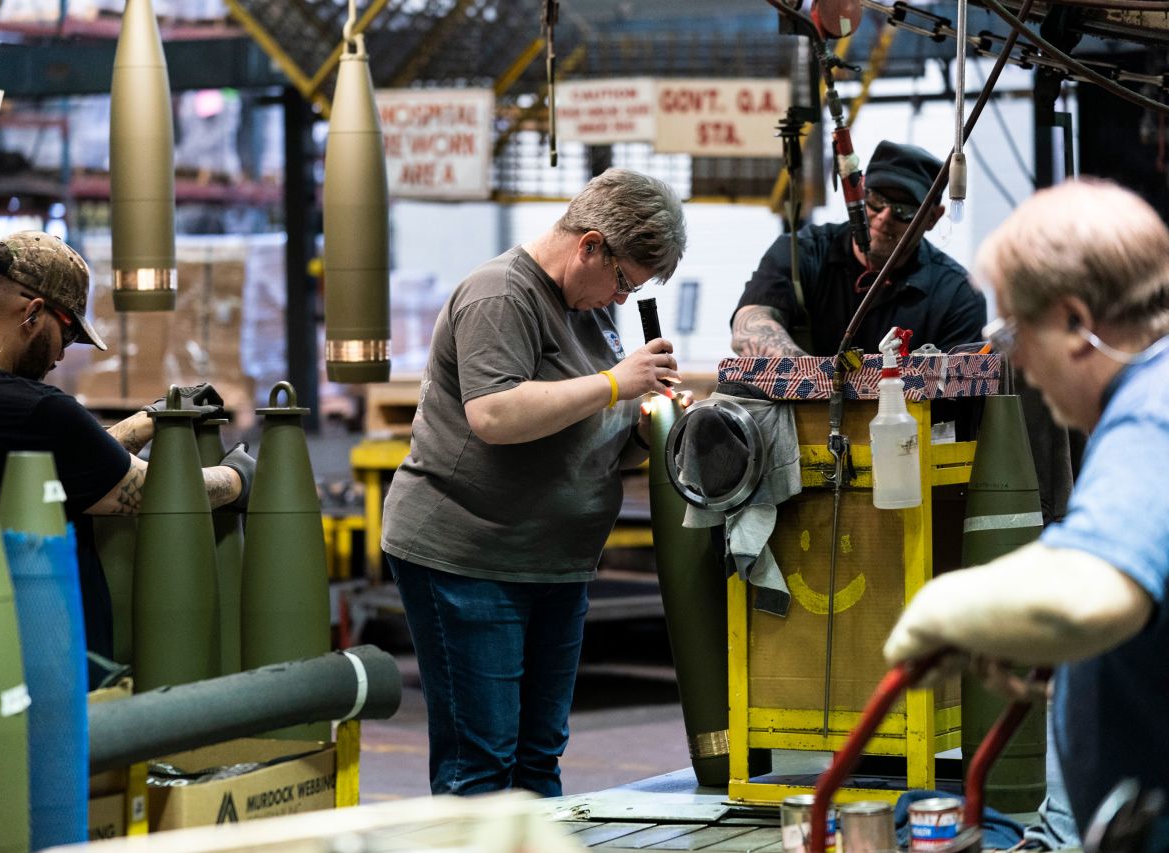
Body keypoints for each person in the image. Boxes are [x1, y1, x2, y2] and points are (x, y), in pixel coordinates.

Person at [381, 169, 688, 797]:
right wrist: (613, 384)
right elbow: (494, 415)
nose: (623, 300)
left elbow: (587, 430)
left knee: (538, 758)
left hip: (555, 562)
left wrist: (650, 420)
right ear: (591, 245)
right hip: (471, 557)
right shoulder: (501, 295)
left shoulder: (590, 309)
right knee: (483, 765)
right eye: (624, 280)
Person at [884, 179, 1169, 842]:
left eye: (1012, 331)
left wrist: (946, 607)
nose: (1015, 362)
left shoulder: (1151, 414)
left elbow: (1091, 594)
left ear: (1073, 322)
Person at [0, 231, 255, 684]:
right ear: (34, 314)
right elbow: (147, 492)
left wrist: (147, 420)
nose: (63, 354)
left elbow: (64, 461)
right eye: (67, 333)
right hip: (44, 666)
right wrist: (237, 477)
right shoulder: (37, 409)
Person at [730, 140, 986, 357]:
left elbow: (958, 395)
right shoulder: (801, 252)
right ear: (858, 192)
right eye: (876, 200)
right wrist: (814, 380)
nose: (884, 216)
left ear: (933, 218)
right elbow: (749, 326)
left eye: (904, 210)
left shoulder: (957, 295)